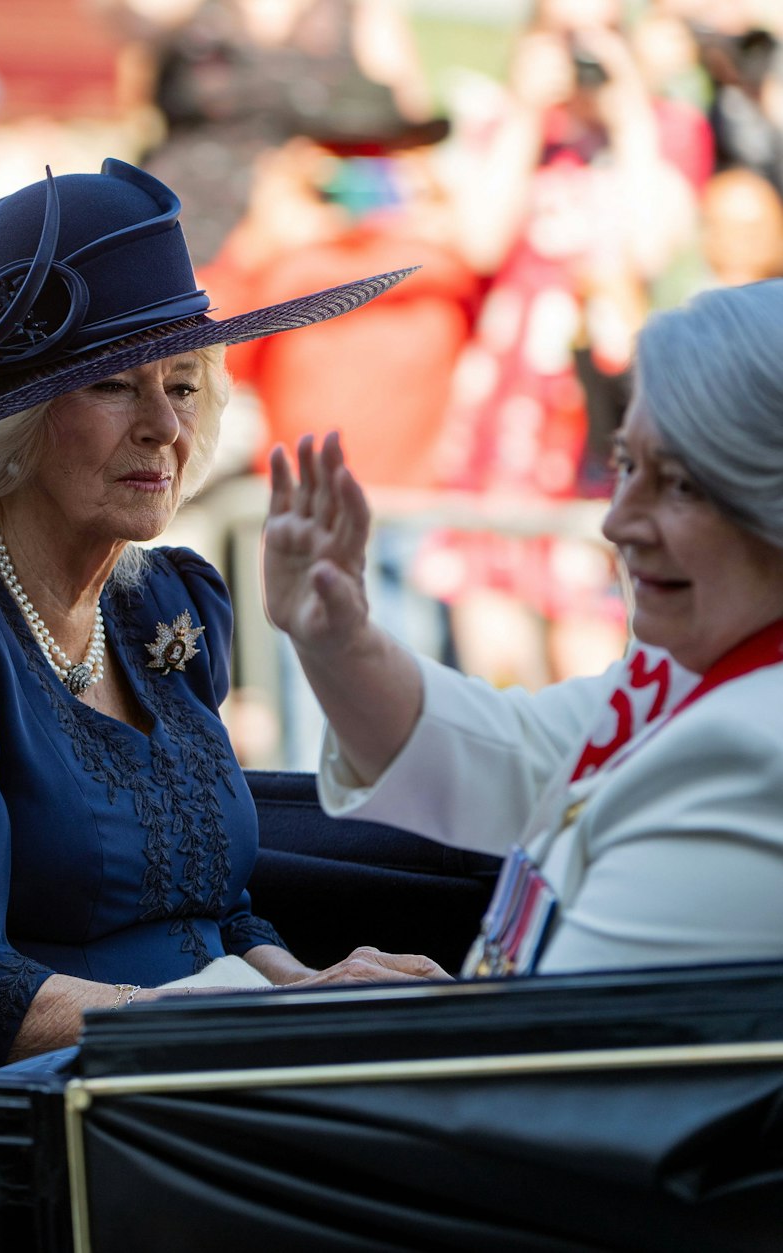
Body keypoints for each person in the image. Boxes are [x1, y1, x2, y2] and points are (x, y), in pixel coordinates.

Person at [0, 160, 447, 1071]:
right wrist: (243, 1020)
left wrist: (307, 986)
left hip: (199, 1071)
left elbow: (217, 909)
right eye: (113, 385)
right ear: (15, 423)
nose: (163, 427)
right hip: (26, 1108)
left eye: (181, 385)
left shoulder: (168, 602)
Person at [269, 279, 783, 975]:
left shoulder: (746, 755)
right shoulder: (697, 669)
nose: (617, 522)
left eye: (681, 486)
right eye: (626, 466)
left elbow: (575, 1029)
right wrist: (340, 641)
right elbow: (509, 751)